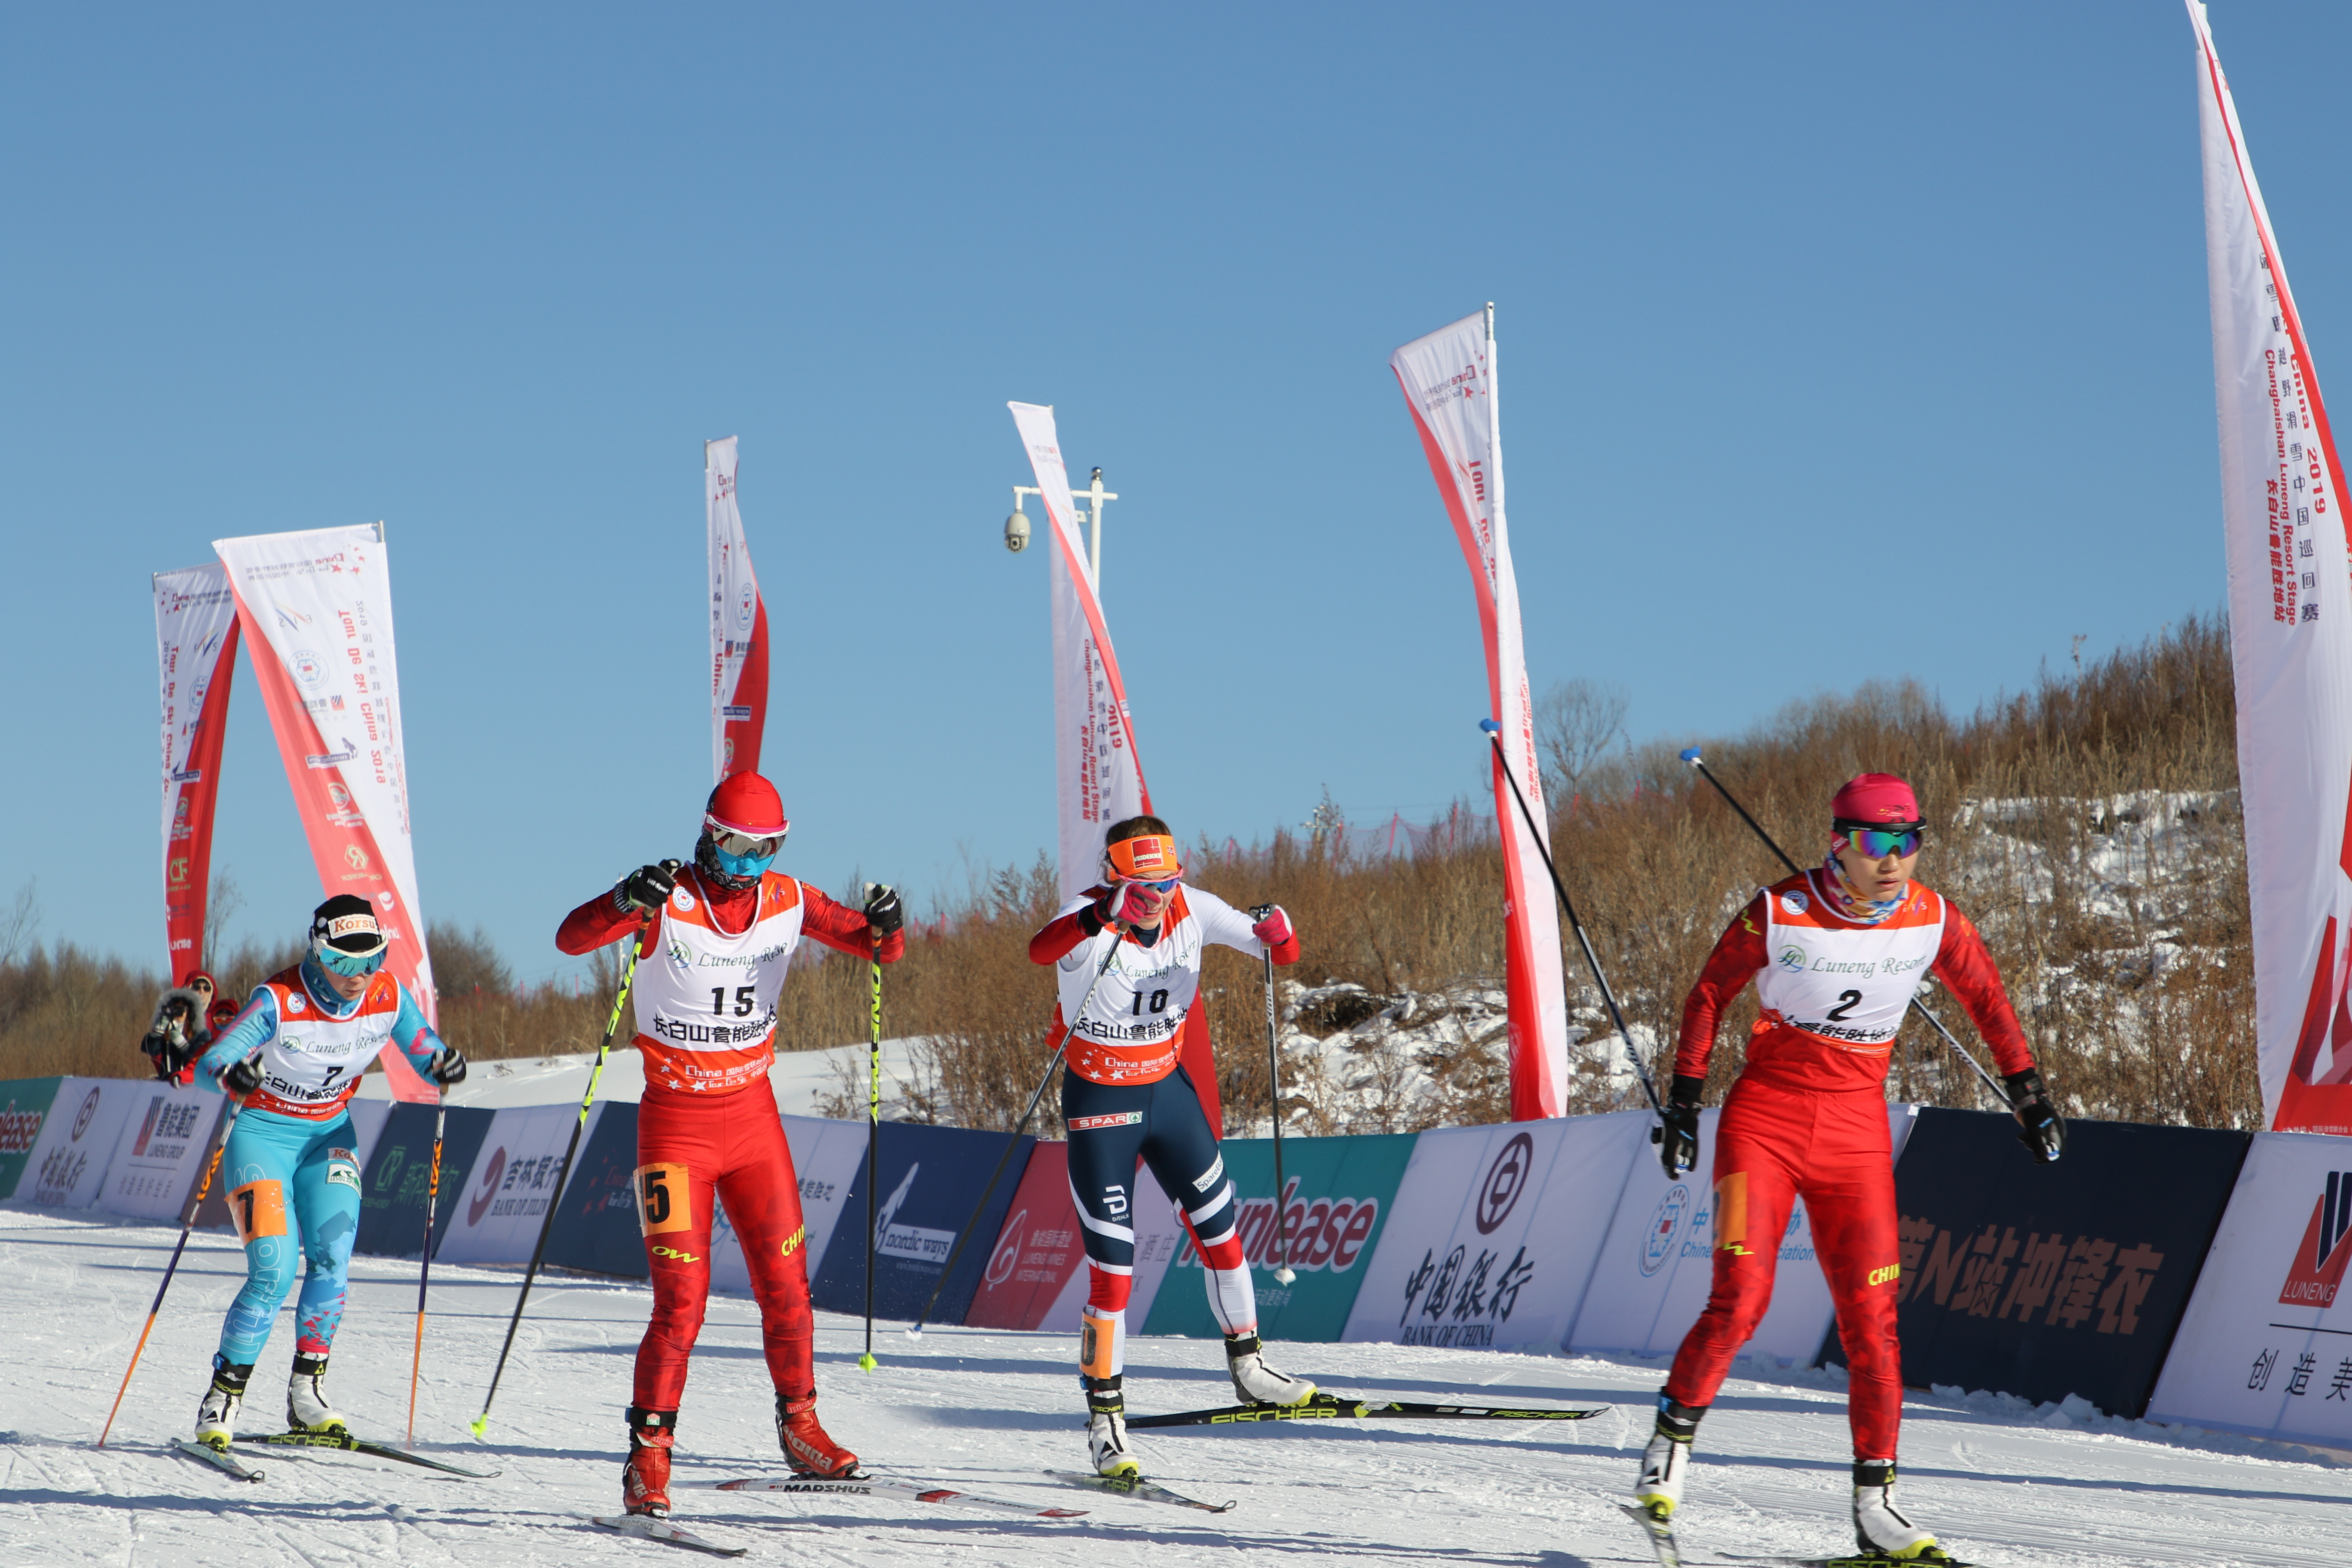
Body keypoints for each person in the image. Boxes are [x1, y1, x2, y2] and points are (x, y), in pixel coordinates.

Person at [1632, 773, 2065, 1563]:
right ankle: (1668, 1449)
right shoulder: (1780, 909)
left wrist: (2028, 1093)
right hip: (1762, 1124)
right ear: (1839, 841)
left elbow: (1988, 996)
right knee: (1741, 1296)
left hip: (1856, 1136)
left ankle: (1876, 1506)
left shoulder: (1931, 916)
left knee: (1874, 1323)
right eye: (1876, 842)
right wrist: (1686, 1098)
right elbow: (1707, 993)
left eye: (1909, 841)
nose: (1894, 859)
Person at [555, 771, 906, 1519]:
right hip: (675, 1130)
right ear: (707, 834)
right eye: (736, 848)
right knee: (681, 1304)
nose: (748, 865)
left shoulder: (788, 897)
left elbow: (878, 947)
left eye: (765, 850)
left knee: (787, 1288)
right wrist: (623, 902)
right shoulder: (667, 896)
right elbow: (570, 937)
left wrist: (889, 919)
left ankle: (801, 1427)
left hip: (752, 1123)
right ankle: (648, 1457)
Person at [1026, 813, 1311, 1479]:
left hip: (1168, 1092)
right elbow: (1041, 951)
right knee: (1114, 1269)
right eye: (1142, 884)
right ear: (1114, 877)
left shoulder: (1195, 908)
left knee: (1222, 1227)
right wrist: (1102, 918)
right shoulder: (1088, 917)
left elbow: (1281, 951)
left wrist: (1280, 930)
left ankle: (1251, 1366)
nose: (1156, 897)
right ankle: (1105, 1424)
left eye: (1166, 881)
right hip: (1102, 1102)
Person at [187, 896, 468, 1451]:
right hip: (262, 1137)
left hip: (328, 1136)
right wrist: (232, 1075)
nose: (359, 976)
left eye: (372, 961)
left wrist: (442, 1062)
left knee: (333, 1258)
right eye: (344, 963)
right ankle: (223, 1397)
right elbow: (208, 1066)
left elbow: (421, 1048)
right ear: (318, 954)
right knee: (273, 1268)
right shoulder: (279, 1000)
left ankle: (306, 1395)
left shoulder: (386, 994)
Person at [140, 969, 240, 1087]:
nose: (201, 992)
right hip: (170, 1083)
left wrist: (181, 1043)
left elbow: (200, 1059)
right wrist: (158, 1031)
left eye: (207, 988)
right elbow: (151, 1050)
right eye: (197, 987)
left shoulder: (213, 1021)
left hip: (198, 1081)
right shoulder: (170, 1025)